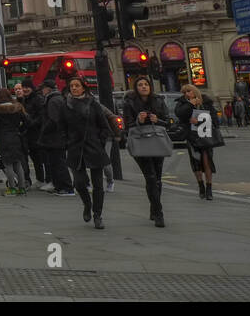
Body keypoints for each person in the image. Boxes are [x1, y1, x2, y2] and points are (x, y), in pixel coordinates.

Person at [60, 77, 112, 228]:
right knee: (79, 182)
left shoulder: (93, 104)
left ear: (84, 88)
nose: (74, 88)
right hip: (75, 148)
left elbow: (104, 125)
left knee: (98, 185)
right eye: (71, 86)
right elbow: (61, 127)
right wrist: (66, 142)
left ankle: (97, 215)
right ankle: (87, 204)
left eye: (77, 86)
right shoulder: (66, 106)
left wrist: (100, 141)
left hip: (94, 147)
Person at [122, 75, 169, 226]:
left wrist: (158, 120)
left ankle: (154, 208)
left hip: (157, 141)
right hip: (140, 142)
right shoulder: (129, 102)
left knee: (157, 178)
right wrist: (138, 121)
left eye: (146, 84)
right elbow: (127, 124)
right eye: (140, 85)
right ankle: (159, 212)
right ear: (136, 88)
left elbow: (168, 122)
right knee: (150, 176)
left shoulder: (159, 100)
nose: (143, 87)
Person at [176, 85, 222, 200]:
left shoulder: (206, 102)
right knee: (196, 161)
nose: (187, 94)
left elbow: (214, 119)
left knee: (207, 162)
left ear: (195, 91)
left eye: (189, 91)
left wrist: (201, 122)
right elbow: (180, 114)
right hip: (191, 136)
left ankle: (209, 188)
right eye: (184, 92)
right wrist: (190, 104)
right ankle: (201, 185)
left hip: (205, 135)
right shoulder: (182, 103)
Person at [0, 88, 28, 195]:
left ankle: (12, 188)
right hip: (16, 137)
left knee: (8, 164)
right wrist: (20, 130)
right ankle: (22, 187)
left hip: (3, 138)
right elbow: (27, 121)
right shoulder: (17, 108)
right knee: (18, 163)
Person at [39, 79, 74, 195]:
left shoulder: (53, 100)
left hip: (54, 137)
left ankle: (66, 187)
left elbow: (53, 120)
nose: (41, 91)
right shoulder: (57, 98)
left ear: (48, 89)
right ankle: (59, 186)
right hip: (58, 136)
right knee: (56, 162)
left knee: (58, 163)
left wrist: (44, 131)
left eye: (43, 88)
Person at [21, 80, 45, 187]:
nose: (25, 89)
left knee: (39, 158)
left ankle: (43, 179)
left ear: (32, 88)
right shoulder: (25, 100)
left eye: (27, 87)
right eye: (23, 87)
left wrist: (31, 123)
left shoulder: (37, 99)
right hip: (28, 133)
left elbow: (41, 116)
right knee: (35, 158)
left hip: (36, 132)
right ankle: (39, 179)